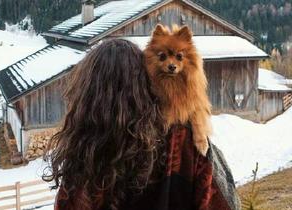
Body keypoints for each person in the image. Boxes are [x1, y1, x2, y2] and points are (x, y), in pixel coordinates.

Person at [43, 39, 240, 210]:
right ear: (147, 85)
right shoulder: (183, 142)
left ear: (86, 99)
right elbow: (224, 201)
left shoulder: (85, 158)